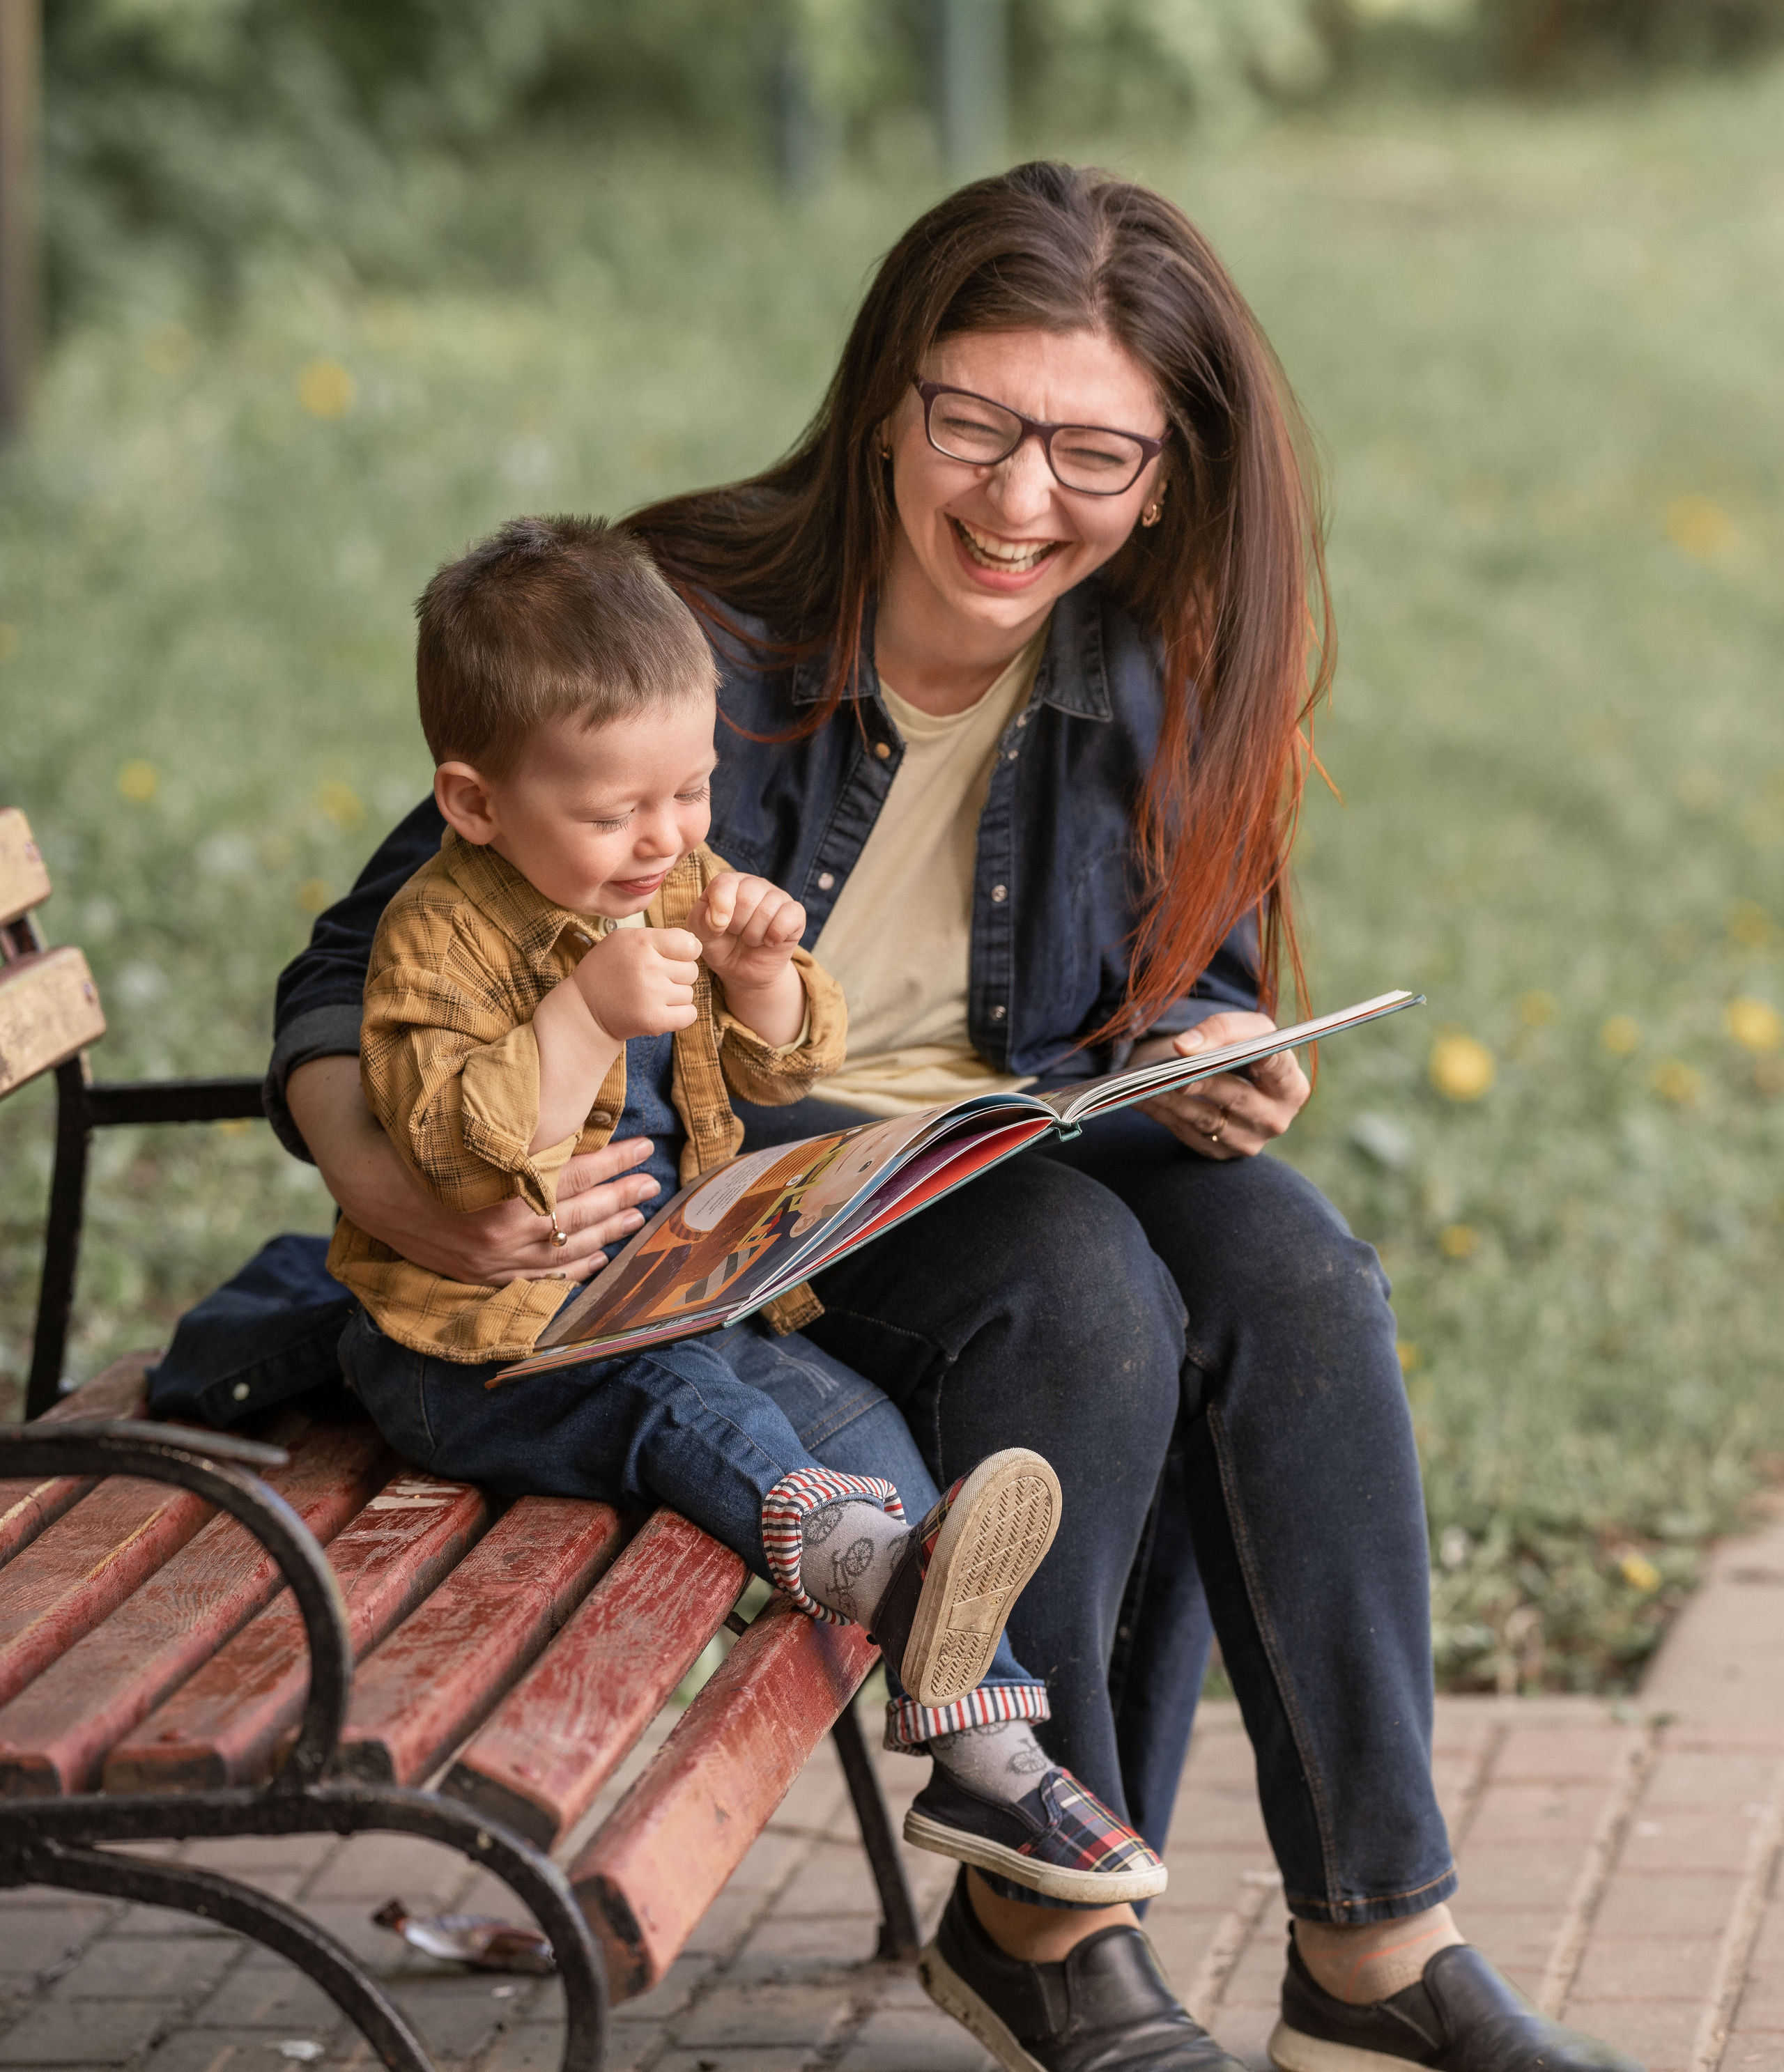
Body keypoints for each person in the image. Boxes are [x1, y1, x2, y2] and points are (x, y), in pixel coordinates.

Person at [266, 167, 1639, 2072]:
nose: (1016, 498)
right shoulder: (684, 628)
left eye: (1089, 448)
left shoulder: (1154, 669)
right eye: (976, 424)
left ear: (1166, 472)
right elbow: (353, 964)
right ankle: (1040, 1920)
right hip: (742, 1205)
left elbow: (1183, 967)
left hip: (1006, 1148)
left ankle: (1377, 1945)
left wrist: (1221, 1033)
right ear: (889, 401)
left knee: (1302, 1270)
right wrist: (379, 1183)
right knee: (1078, 1283)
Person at [332, 509, 1169, 1910]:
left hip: (662, 1294)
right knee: (683, 1405)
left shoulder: (667, 871)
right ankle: (874, 1577)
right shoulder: (439, 933)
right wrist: (580, 1017)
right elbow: (462, 1153)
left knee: (853, 1415)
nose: (663, 840)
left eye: (691, 793)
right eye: (614, 813)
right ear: (474, 803)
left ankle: (987, 1751)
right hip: (479, 1356)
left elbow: (788, 1066)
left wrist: (769, 971)